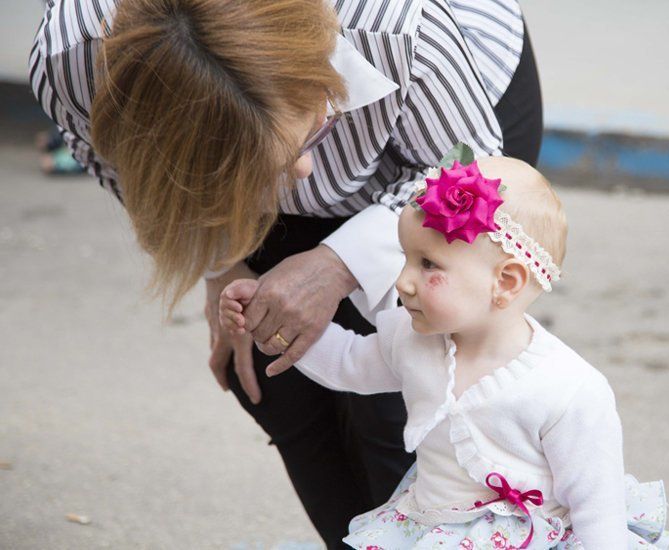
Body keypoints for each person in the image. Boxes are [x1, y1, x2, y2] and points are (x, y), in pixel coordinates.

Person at [30, 0, 542, 546]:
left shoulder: (398, 29)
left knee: (405, 403)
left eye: (305, 135)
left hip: (453, 128)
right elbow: (130, 171)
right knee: (272, 374)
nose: (301, 175)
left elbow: (468, 171)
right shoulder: (74, 60)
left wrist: (337, 263)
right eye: (273, 165)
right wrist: (221, 265)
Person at [221, 156, 669, 549]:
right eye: (405, 257)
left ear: (505, 282)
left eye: (428, 265)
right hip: (429, 529)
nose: (403, 281)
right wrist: (273, 327)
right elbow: (348, 364)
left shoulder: (568, 389)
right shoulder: (413, 338)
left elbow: (597, 508)